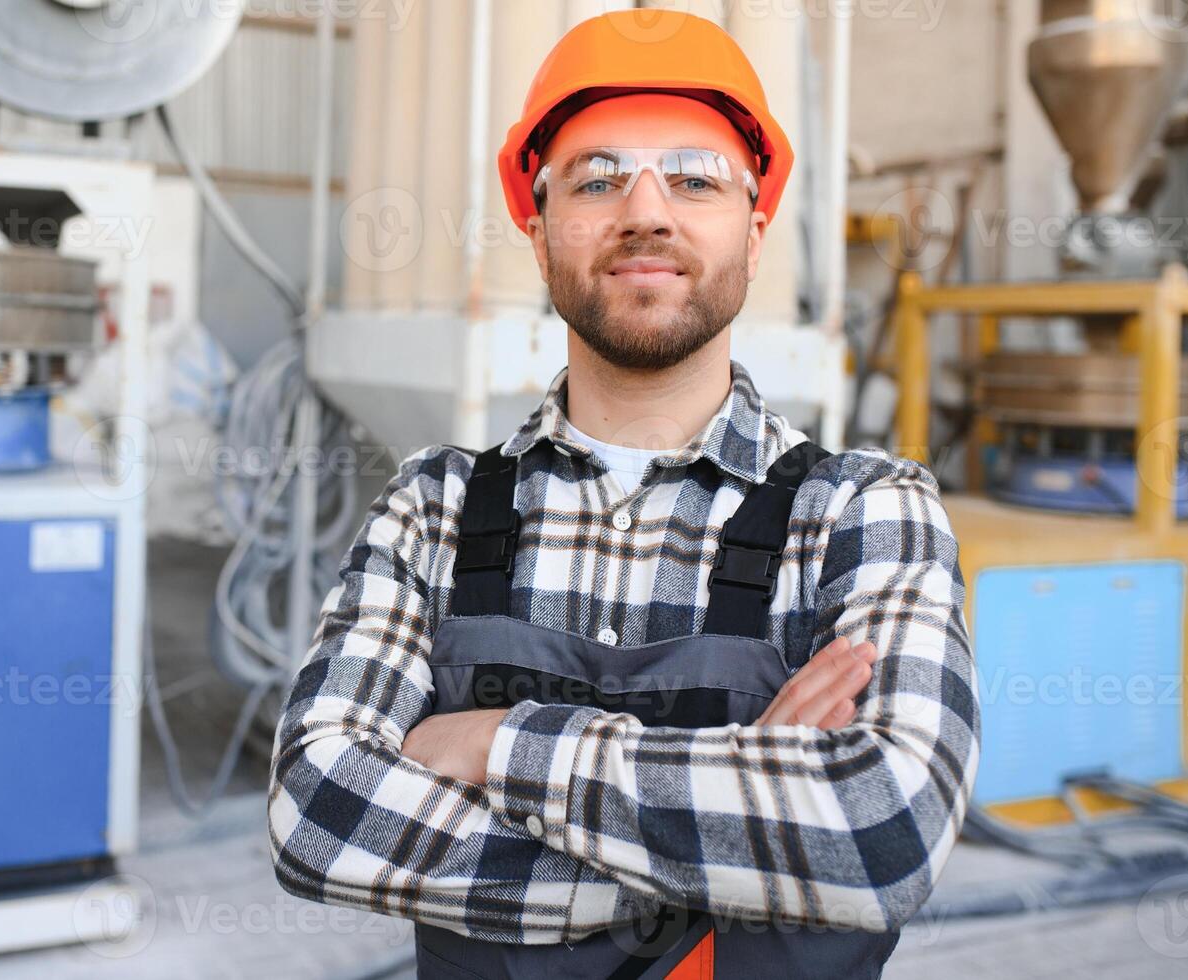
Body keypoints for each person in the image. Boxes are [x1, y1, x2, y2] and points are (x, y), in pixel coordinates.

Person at [268, 11, 979, 979]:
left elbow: (884, 832)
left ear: (755, 231)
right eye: (599, 180)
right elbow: (318, 813)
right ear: (538, 226)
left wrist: (496, 743)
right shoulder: (432, 506)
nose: (646, 211)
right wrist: (740, 836)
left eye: (694, 179)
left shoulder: (862, 513)